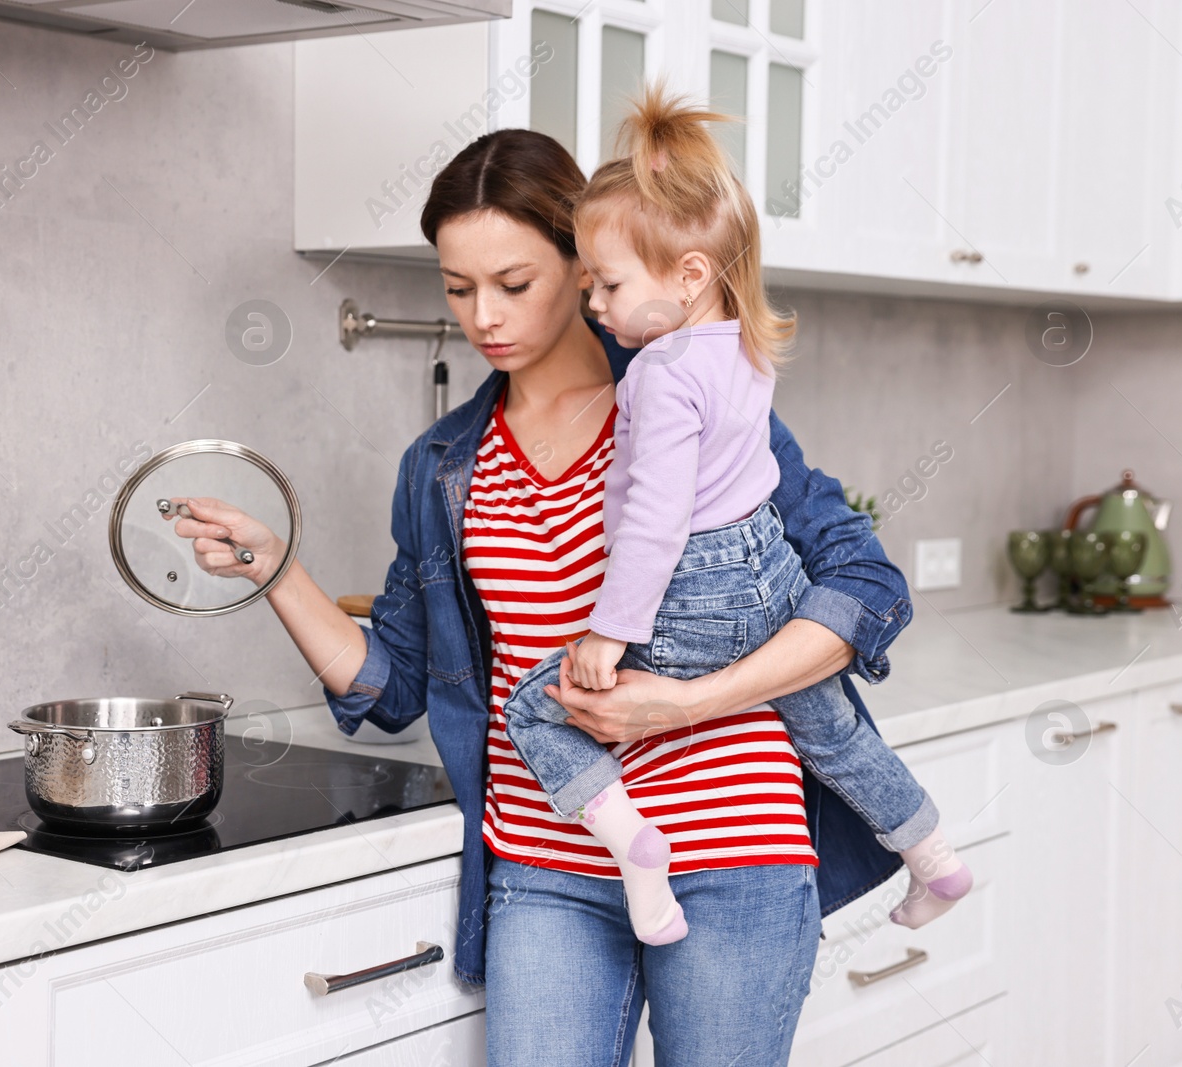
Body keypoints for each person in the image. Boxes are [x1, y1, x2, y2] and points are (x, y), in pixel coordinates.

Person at [166, 119, 915, 1067]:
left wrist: (683, 703)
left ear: (584, 262)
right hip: (547, 863)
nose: (484, 316)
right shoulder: (443, 465)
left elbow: (864, 586)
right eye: (457, 288)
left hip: (735, 847)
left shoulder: (687, 398)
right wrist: (277, 569)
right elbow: (392, 686)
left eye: (514, 284)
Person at [497, 85, 969, 950]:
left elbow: (656, 521)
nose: (593, 304)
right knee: (831, 731)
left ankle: (638, 851)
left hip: (697, 591)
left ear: (688, 275)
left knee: (538, 707)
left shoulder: (659, 374)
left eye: (605, 283)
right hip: (773, 577)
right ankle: (933, 854)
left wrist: (610, 631)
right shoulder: (744, 348)